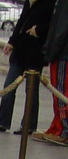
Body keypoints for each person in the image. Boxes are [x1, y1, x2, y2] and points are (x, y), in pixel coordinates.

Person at [0, 0, 54, 133]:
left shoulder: (50, 3)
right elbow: (21, 22)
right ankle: (2, 122)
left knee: (31, 91)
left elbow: (53, 24)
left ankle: (29, 126)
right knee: (9, 86)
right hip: (20, 51)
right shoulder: (29, 2)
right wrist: (11, 42)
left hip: (35, 53)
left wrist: (38, 30)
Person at [35, 0, 68, 143]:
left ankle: (64, 131)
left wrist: (51, 51)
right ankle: (57, 127)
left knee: (61, 92)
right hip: (62, 51)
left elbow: (61, 27)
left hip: (63, 53)